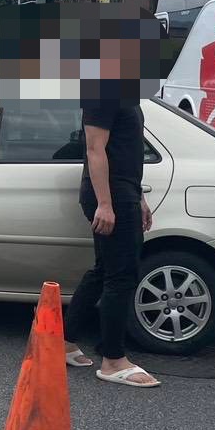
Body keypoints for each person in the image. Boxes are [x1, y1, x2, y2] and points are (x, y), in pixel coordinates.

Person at [63, 62, 159, 388]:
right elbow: (95, 149)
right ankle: (113, 360)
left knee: (105, 270)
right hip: (110, 196)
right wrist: (106, 203)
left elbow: (125, 152)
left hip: (123, 192)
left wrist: (140, 197)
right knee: (122, 275)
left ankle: (64, 341)